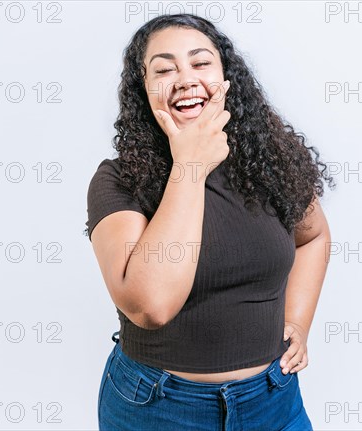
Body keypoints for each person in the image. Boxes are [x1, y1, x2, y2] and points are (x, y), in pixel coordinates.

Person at [84, 13, 334, 431]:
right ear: (143, 90)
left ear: (226, 77)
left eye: (200, 63)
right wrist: (189, 167)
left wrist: (298, 321)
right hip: (159, 406)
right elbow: (151, 306)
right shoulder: (118, 179)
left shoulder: (271, 160)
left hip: (273, 398)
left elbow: (313, 236)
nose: (185, 78)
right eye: (164, 69)